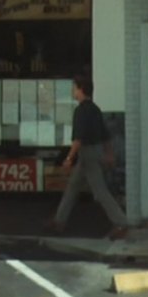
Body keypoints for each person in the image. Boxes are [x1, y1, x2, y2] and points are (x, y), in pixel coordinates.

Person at [46, 75, 128, 240]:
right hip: (94, 152)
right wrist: (109, 154)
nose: (73, 91)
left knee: (100, 190)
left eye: (75, 88)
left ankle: (121, 222)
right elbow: (105, 135)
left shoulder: (81, 111)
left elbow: (78, 139)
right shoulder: (96, 109)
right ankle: (59, 220)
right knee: (73, 186)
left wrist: (69, 158)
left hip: (88, 153)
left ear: (81, 89)